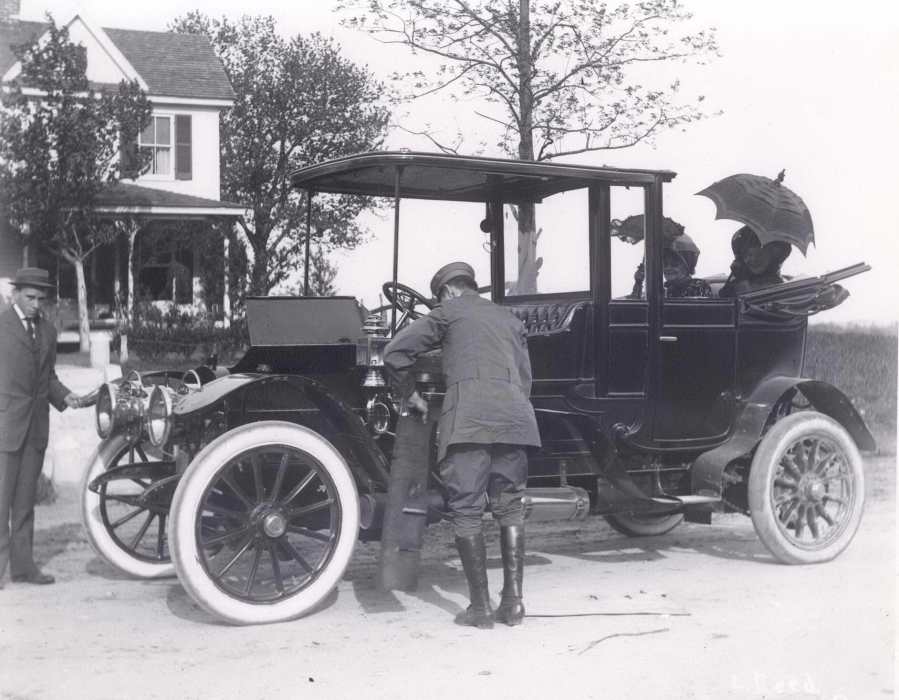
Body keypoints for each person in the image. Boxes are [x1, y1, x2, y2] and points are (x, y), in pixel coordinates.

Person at [383, 262, 540, 629]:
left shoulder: (447, 313)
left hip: (468, 420)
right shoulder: (509, 317)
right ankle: (514, 605)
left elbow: (394, 352)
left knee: (468, 510)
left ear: (448, 291)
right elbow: (526, 378)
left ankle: (480, 610)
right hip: (515, 419)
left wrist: (412, 396)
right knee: (510, 507)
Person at [0, 267, 80, 588]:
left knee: (24, 503)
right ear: (16, 294)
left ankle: (23, 568)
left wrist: (67, 397)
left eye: (40, 299)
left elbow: (48, 377)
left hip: (35, 429)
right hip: (5, 425)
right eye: (30, 297)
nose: (35, 304)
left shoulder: (47, 331)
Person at [719, 226, 792, 297]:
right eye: (746, 255)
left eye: (759, 255)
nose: (752, 260)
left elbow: (752, 301)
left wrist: (743, 280)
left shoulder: (780, 287)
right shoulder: (740, 278)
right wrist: (735, 276)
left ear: (772, 255)